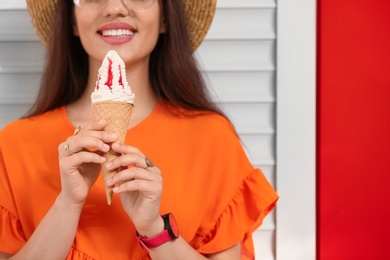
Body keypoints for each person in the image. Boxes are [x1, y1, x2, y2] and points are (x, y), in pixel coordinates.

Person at [0, 0, 278, 259]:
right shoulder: (12, 145)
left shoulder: (212, 139)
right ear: (72, 21)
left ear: (165, 18)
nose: (114, 8)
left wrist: (154, 228)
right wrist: (67, 205)